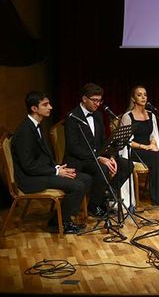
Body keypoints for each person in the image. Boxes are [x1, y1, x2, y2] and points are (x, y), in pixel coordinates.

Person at [11, 91, 92, 234]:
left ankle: (63, 216)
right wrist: (56, 172)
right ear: (34, 108)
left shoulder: (37, 125)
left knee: (86, 178)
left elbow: (43, 156)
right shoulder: (24, 132)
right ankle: (58, 223)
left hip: (41, 172)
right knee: (78, 185)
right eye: (45, 104)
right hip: (29, 179)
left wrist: (56, 166)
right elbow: (28, 166)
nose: (50, 107)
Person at [64, 83, 133, 218]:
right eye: (94, 100)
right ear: (84, 99)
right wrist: (98, 157)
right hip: (79, 160)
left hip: (97, 157)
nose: (97, 104)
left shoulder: (98, 116)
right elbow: (73, 147)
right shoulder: (72, 116)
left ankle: (104, 196)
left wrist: (110, 155)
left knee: (126, 165)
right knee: (102, 168)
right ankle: (94, 206)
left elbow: (102, 141)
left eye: (99, 100)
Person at [118, 86, 159, 206]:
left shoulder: (151, 115)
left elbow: (153, 135)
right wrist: (145, 147)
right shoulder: (128, 116)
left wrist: (152, 144)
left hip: (148, 149)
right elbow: (126, 141)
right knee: (158, 157)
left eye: (145, 95)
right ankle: (158, 198)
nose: (143, 97)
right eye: (139, 95)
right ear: (133, 98)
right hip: (134, 150)